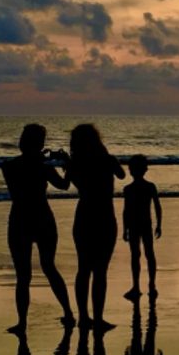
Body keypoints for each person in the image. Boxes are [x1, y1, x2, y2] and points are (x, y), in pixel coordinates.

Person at [2, 124, 75, 334]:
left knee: (22, 276)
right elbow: (64, 186)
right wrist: (67, 165)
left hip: (20, 219)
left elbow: (16, 190)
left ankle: (22, 323)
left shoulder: (9, 166)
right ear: (40, 144)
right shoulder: (44, 166)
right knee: (49, 267)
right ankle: (68, 313)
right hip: (43, 217)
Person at [65, 124, 126, 330]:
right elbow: (122, 174)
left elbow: (69, 183)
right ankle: (97, 318)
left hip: (84, 216)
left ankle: (84, 316)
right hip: (104, 216)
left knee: (84, 268)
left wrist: (68, 163)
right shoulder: (106, 160)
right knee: (100, 271)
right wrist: (106, 154)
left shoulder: (75, 164)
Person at [122, 155, 163, 301]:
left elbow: (126, 211)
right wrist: (159, 224)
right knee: (147, 254)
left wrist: (125, 229)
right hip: (144, 224)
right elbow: (157, 207)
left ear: (131, 171)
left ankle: (139, 286)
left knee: (138, 255)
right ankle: (149, 285)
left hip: (137, 225)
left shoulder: (129, 189)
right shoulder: (148, 187)